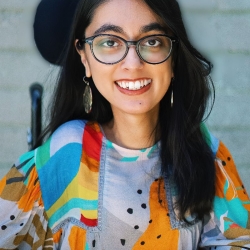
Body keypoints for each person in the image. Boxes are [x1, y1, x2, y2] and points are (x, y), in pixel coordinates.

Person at [1, 0, 250, 249]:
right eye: (110, 42)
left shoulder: (207, 153)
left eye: (152, 41)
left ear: (173, 55)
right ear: (84, 57)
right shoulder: (63, 155)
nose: (133, 64)